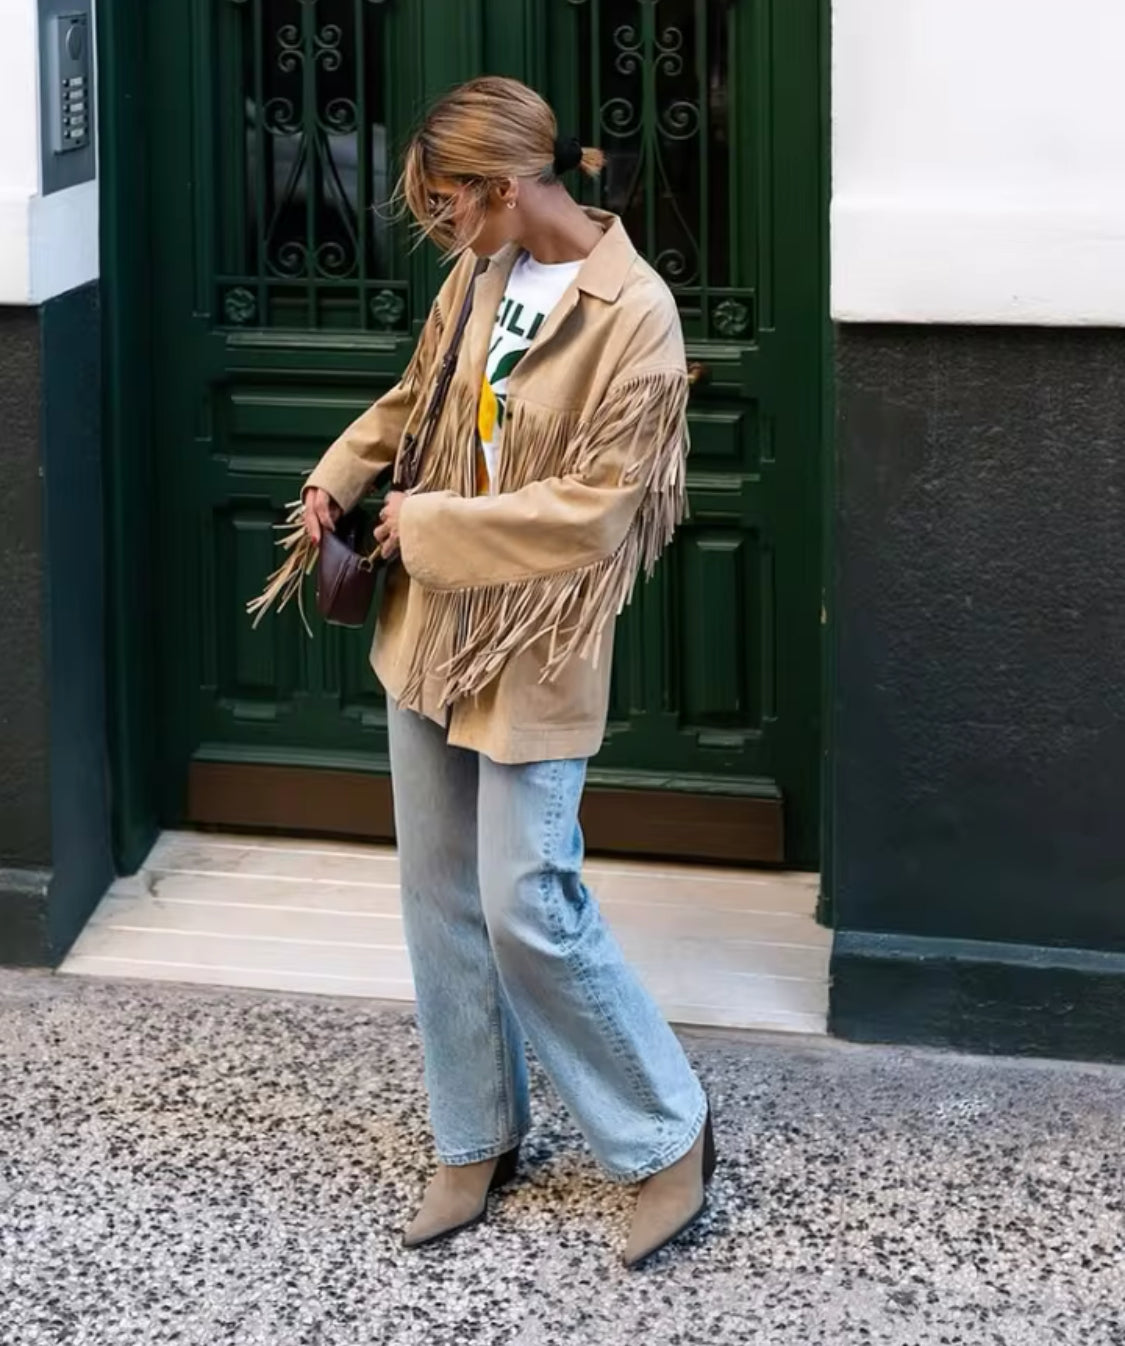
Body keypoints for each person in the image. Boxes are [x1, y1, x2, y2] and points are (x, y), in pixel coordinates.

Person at [299, 77, 714, 1269]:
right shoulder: (479, 274)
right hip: (433, 629)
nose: (436, 223)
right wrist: (345, 470)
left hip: (534, 641)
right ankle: (476, 1132)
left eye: (446, 201)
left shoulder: (636, 311)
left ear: (507, 187)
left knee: (527, 899)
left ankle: (668, 1130)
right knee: (437, 894)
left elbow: (600, 509)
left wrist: (427, 529)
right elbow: (416, 397)